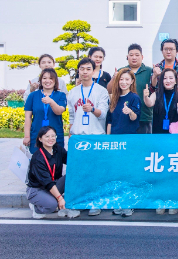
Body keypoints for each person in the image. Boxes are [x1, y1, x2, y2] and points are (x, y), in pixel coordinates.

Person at [67, 58, 109, 216]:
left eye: (88, 69)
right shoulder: (73, 92)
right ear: (78, 71)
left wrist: (92, 109)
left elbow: (103, 114)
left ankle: (96, 202)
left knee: (96, 172)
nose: (85, 72)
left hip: (95, 136)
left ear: (93, 71)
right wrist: (71, 133)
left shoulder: (101, 91)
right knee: (80, 172)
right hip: (78, 137)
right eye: (82, 69)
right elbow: (71, 116)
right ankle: (80, 201)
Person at [144, 68, 178, 216]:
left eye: (171, 78)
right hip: (159, 137)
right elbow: (149, 103)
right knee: (160, 169)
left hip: (175, 138)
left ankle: (173, 201)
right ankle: (160, 200)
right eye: (165, 78)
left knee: (174, 169)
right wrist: (146, 96)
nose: (168, 81)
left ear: (176, 80)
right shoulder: (157, 93)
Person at [106, 68, 141, 218]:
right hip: (115, 141)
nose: (124, 82)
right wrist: (108, 140)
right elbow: (109, 121)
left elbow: (135, 118)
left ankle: (129, 203)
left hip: (129, 141)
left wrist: (130, 112)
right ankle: (119, 202)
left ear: (132, 81)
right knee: (117, 172)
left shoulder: (134, 98)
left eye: (127, 79)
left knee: (128, 172)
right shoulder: (114, 98)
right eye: (121, 79)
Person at [26, 126, 80, 219]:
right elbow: (47, 182)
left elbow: (71, 161)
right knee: (52, 205)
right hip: (38, 189)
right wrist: (60, 198)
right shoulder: (37, 158)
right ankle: (36, 208)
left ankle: (63, 204)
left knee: (73, 176)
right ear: (40, 139)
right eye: (47, 136)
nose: (50, 139)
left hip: (54, 183)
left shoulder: (57, 149)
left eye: (53, 136)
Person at [107, 44, 154, 134]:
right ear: (127, 57)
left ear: (142, 57)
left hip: (144, 117)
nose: (134, 57)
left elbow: (155, 88)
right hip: (123, 119)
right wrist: (114, 78)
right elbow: (109, 90)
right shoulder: (121, 71)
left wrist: (155, 76)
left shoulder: (149, 70)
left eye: (137, 55)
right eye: (131, 55)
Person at [23, 69, 67, 155]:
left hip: (55, 136)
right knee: (38, 160)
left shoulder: (61, 95)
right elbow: (28, 117)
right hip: (37, 135)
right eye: (44, 78)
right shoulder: (33, 95)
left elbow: (59, 111)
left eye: (51, 78)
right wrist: (27, 136)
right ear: (40, 80)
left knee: (56, 160)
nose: (47, 81)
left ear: (55, 80)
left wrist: (51, 102)